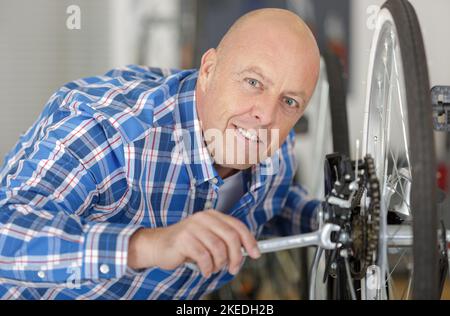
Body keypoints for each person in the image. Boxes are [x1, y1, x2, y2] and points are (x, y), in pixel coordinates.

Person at [0, 8, 320, 299]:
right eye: (253, 82)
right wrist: (149, 245)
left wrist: (326, 219)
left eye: (289, 101)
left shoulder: (275, 148)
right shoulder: (107, 132)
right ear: (208, 70)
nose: (266, 114)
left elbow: (272, 203)